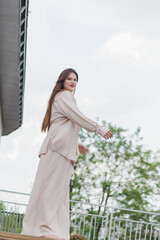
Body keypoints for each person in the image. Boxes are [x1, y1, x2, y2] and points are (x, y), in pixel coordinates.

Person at [21, 68, 113, 240]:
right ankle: (45, 229)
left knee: (57, 192)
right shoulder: (64, 96)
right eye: (69, 78)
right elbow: (77, 116)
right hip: (57, 150)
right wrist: (98, 128)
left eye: (75, 80)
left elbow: (60, 126)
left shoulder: (62, 98)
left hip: (59, 149)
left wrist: (76, 143)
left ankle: (49, 229)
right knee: (52, 191)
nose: (73, 82)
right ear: (62, 81)